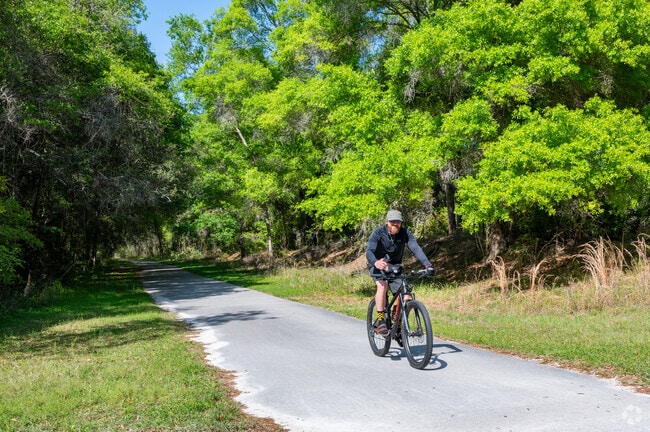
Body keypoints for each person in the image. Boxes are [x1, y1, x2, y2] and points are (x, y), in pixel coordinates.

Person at [366, 209, 434, 336]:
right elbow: (369, 250)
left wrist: (427, 264)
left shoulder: (405, 233)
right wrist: (375, 262)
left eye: (398, 222)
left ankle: (399, 325)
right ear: (387, 222)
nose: (395, 224)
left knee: (406, 296)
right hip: (377, 263)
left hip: (394, 266)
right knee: (382, 285)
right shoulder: (378, 233)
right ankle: (381, 320)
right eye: (392, 222)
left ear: (401, 223)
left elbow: (415, 247)